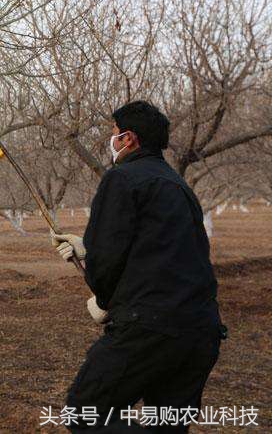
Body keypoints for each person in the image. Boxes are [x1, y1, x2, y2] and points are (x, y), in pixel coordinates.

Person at [51, 100, 226, 433]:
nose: (111, 139)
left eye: (114, 133)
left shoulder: (122, 179)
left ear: (128, 139)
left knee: (84, 412)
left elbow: (106, 263)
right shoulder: (179, 186)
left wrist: (103, 300)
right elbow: (161, 251)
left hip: (150, 330)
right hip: (200, 332)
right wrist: (85, 251)